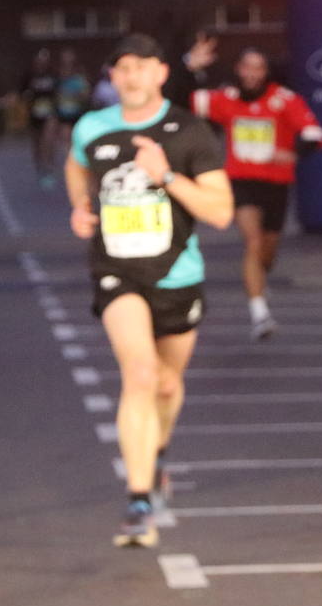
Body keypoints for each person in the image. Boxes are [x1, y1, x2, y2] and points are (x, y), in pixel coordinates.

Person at [65, 33, 232, 547]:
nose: (130, 76)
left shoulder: (189, 130)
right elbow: (77, 164)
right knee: (138, 373)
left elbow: (221, 213)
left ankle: (155, 454)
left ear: (161, 72)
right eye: (120, 69)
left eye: (140, 67)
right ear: (111, 78)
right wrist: (80, 206)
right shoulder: (92, 128)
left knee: (165, 384)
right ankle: (139, 501)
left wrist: (166, 178)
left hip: (177, 274)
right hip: (118, 272)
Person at [192, 47, 322, 339]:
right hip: (241, 181)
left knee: (267, 252)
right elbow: (187, 99)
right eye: (247, 67)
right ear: (239, 69)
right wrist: (192, 67)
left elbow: (316, 134)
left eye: (259, 68)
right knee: (252, 243)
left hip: (276, 183)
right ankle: (259, 314)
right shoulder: (227, 99)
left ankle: (259, 279)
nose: (252, 74)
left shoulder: (283, 99)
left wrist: (292, 153)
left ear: (266, 72)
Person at [20, 48, 59, 188]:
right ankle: (40, 166)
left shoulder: (53, 75)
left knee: (48, 140)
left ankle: (49, 166)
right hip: (34, 114)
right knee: (37, 143)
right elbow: (21, 93)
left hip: (49, 113)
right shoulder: (29, 76)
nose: (41, 64)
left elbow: (58, 92)